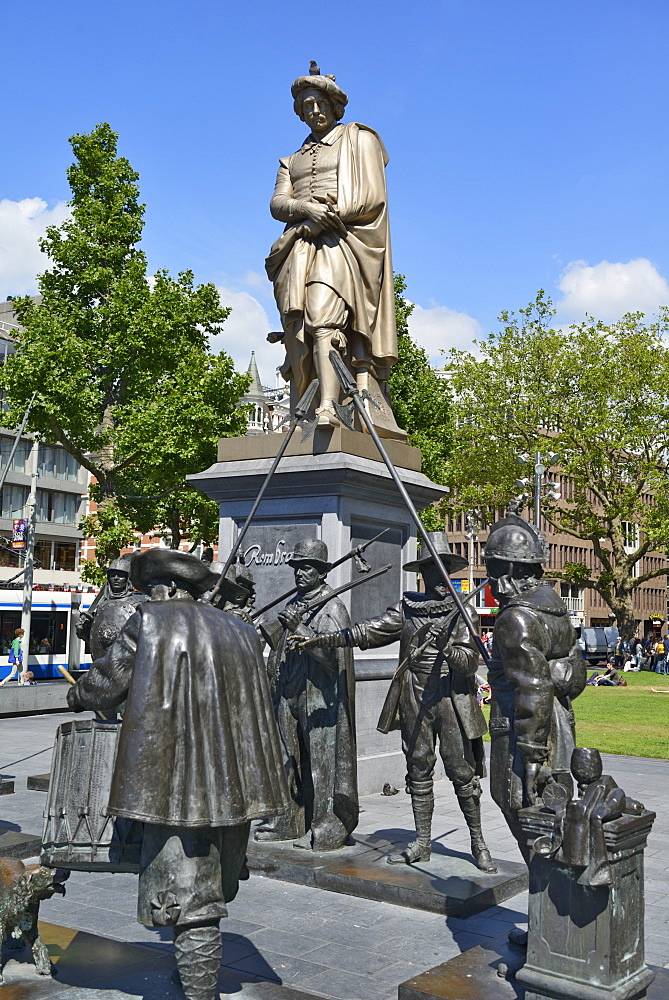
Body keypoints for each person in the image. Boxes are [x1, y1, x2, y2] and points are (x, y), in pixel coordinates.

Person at [66, 549, 290, 1000]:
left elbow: (105, 683)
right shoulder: (243, 631)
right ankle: (191, 975)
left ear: (164, 588)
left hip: (175, 785)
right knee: (209, 888)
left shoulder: (149, 622)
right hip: (238, 784)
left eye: (150, 591)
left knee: (192, 899)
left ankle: (199, 993)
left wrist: (79, 697)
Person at [298, 532, 497, 873]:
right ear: (424, 573)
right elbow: (369, 631)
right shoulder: (407, 609)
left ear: (449, 571)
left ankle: (478, 842)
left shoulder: (462, 611)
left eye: (443, 570)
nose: (437, 577)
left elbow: (469, 661)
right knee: (418, 768)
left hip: (450, 697)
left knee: (460, 771)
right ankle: (421, 841)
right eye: (431, 571)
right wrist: (328, 638)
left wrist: (447, 647)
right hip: (415, 697)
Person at [266, 63, 402, 436]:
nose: (313, 112)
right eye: (305, 107)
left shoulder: (359, 140)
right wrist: (305, 210)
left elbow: (373, 197)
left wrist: (328, 217)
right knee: (299, 327)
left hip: (341, 243)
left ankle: (327, 405)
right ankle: (305, 405)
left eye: (318, 103)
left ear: (334, 105)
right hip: (297, 249)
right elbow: (278, 204)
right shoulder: (289, 161)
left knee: (322, 317)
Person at [482, 511, 586, 864]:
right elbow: (571, 676)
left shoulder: (516, 617)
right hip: (560, 728)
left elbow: (534, 689)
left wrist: (531, 755)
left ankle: (548, 903)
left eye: (492, 569)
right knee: (552, 814)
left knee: (522, 808)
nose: (488, 578)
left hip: (523, 735)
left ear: (508, 572)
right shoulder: (556, 612)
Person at [254, 539, 358, 851]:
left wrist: (304, 630)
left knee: (321, 765)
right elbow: (280, 645)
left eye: (307, 567)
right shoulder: (297, 602)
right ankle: (287, 820)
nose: (300, 573)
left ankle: (327, 826)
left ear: (322, 572)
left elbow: (332, 660)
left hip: (318, 698)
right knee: (287, 760)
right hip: (288, 693)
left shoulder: (332, 606)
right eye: (297, 567)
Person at [75, 554, 146, 661]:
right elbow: (95, 639)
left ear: (128, 579)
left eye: (120, 575)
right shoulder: (101, 606)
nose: (116, 578)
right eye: (113, 575)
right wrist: (83, 630)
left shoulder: (136, 606)